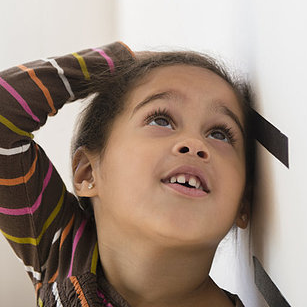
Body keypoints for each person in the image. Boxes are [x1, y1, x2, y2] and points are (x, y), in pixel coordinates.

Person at [0, 41, 255, 306]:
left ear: (243, 203)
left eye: (220, 134)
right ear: (88, 173)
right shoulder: (64, 254)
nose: (194, 144)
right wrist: (119, 62)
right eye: (161, 120)